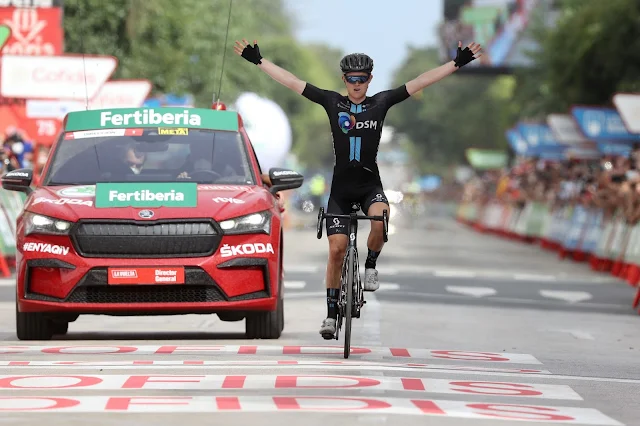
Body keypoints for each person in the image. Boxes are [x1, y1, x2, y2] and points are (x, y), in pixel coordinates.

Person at [233, 38, 482, 339]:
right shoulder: (331, 102)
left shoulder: (381, 103)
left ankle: (371, 265)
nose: (357, 84)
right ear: (344, 80)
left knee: (380, 217)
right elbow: (294, 82)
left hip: (369, 185)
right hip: (340, 190)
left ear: (370, 80)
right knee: (336, 250)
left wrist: (456, 63)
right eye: (351, 79)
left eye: (362, 79)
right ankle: (329, 314)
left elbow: (419, 82)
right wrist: (259, 61)